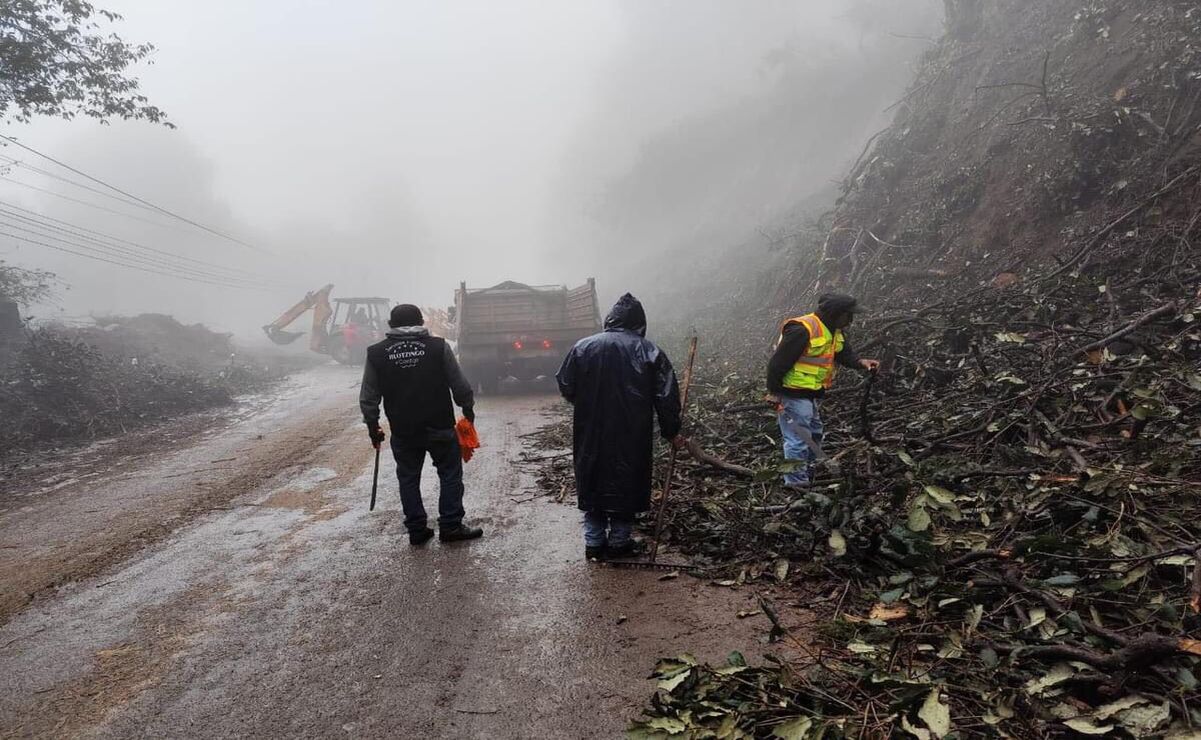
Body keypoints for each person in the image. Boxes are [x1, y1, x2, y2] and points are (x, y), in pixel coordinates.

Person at [556, 294, 685, 561]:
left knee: (593, 482)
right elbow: (666, 396)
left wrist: (586, 402)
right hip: (632, 432)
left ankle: (594, 543)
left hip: (591, 430)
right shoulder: (649, 351)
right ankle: (619, 541)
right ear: (639, 322)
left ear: (610, 319)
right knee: (626, 483)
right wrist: (671, 431)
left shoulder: (583, 347)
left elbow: (566, 384)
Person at [359, 304, 483, 545]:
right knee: (449, 474)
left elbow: (369, 394)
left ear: (390, 325)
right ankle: (451, 526)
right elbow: (458, 382)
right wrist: (467, 407)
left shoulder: (377, 353)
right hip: (439, 425)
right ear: (421, 322)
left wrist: (372, 425)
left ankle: (416, 529)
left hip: (404, 429)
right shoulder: (438, 347)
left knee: (408, 477)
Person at [766, 293, 880, 488]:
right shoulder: (802, 329)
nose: (851, 321)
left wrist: (861, 362)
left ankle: (808, 475)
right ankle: (796, 484)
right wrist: (774, 392)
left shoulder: (833, 330)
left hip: (811, 393)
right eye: (848, 315)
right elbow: (777, 363)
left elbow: (842, 353)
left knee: (814, 434)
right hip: (792, 393)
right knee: (798, 439)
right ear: (837, 313)